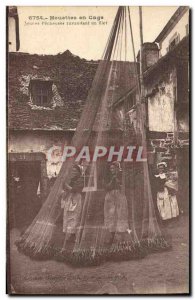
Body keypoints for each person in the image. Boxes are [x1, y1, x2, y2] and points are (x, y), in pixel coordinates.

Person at [61, 160, 86, 247]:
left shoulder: (81, 180)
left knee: (75, 216)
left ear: (79, 172)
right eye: (73, 171)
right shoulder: (71, 180)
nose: (74, 172)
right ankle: (71, 235)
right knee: (68, 215)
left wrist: (66, 185)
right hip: (70, 198)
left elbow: (75, 189)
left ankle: (75, 235)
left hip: (76, 198)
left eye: (75, 171)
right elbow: (66, 188)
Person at [104, 161, 130, 244]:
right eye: (111, 168)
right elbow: (107, 187)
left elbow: (124, 187)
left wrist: (117, 180)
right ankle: (112, 236)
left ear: (117, 169)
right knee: (111, 215)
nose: (112, 170)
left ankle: (121, 237)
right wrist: (112, 179)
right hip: (110, 196)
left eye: (114, 168)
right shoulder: (108, 176)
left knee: (121, 214)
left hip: (119, 196)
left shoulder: (121, 176)